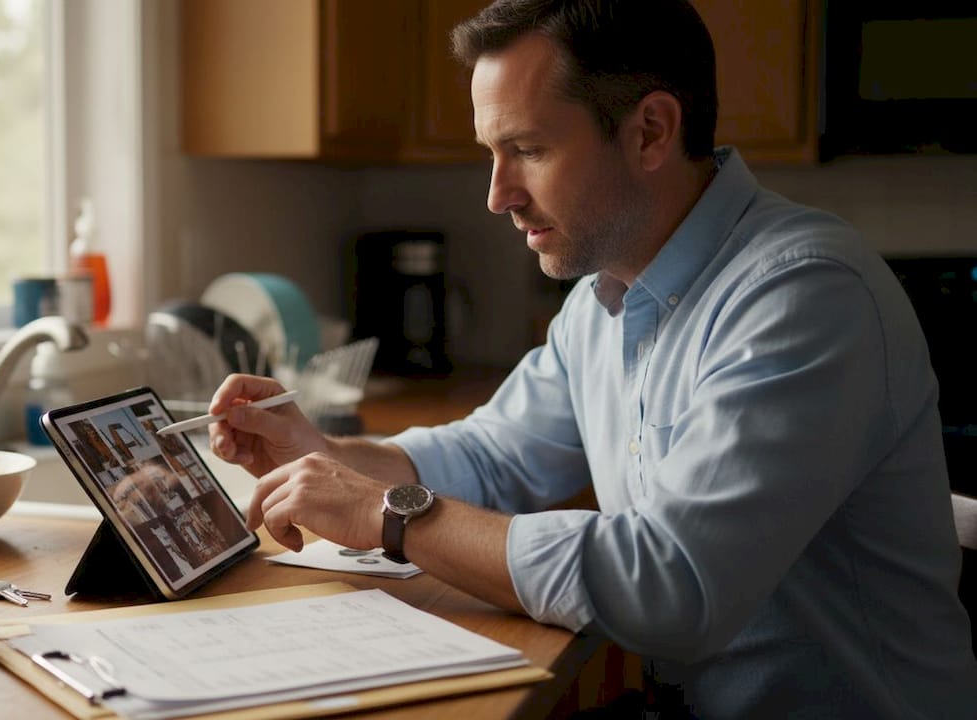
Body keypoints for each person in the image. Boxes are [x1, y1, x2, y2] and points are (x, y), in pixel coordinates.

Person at [207, 0, 977, 717]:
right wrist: (329, 455)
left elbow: (673, 585)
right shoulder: (607, 294)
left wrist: (383, 513)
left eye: (528, 150)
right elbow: (495, 456)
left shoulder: (802, 296)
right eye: (491, 153)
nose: (497, 194)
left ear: (650, 131)